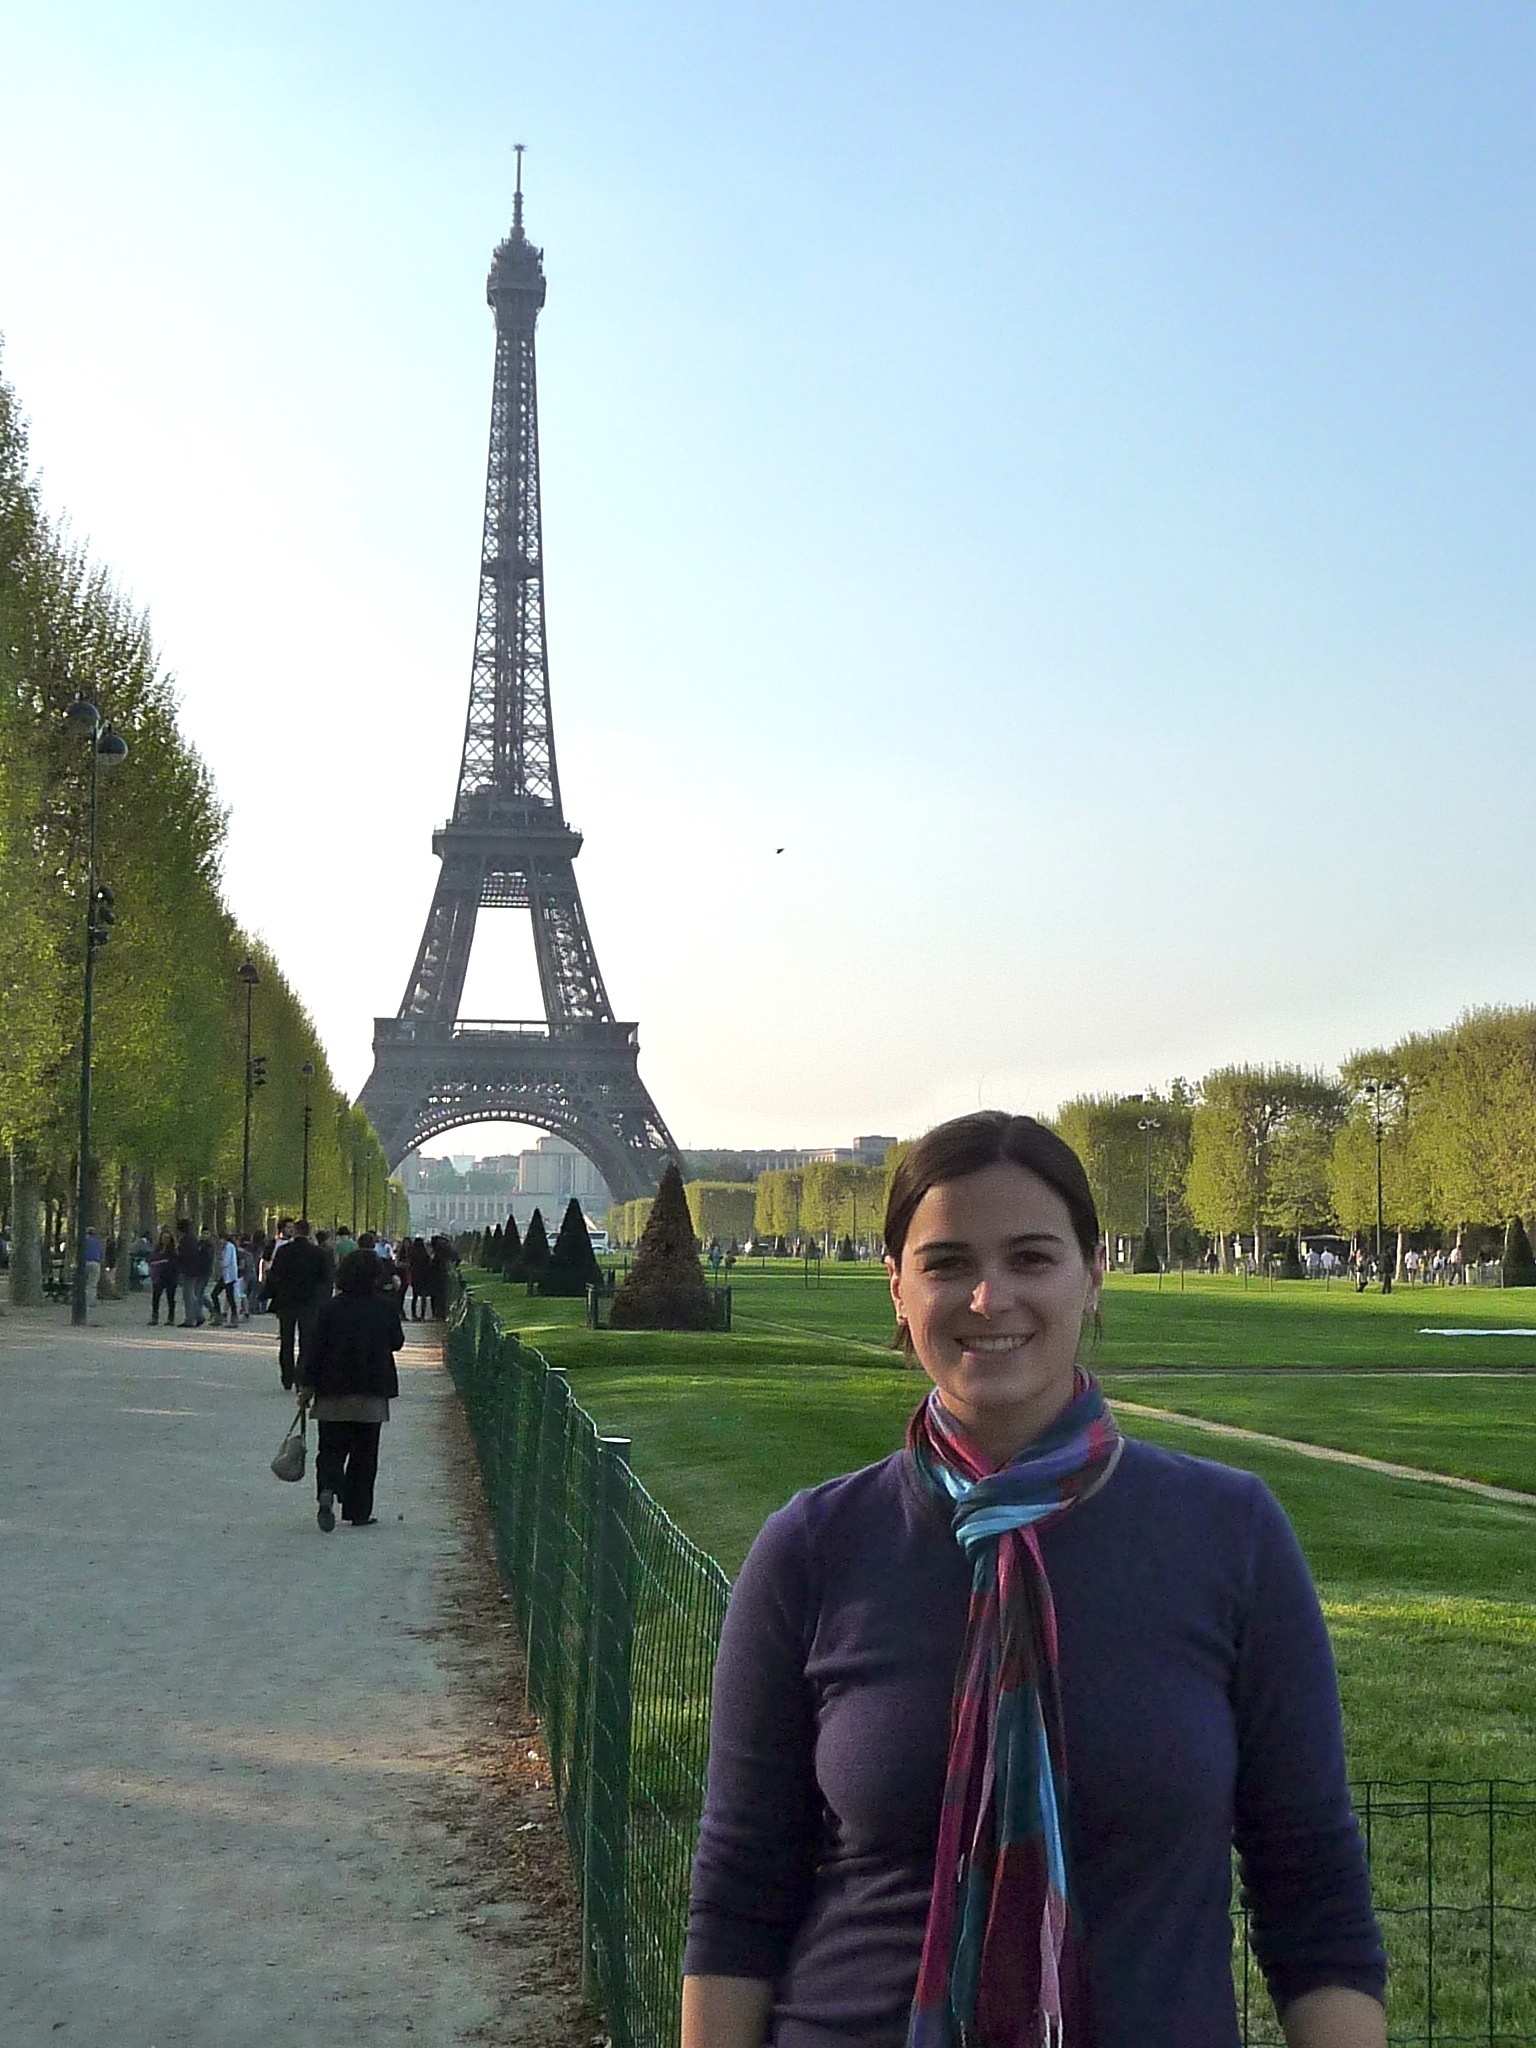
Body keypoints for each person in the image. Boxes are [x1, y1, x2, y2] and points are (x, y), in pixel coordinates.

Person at [683, 1112, 1386, 2048]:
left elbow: (1311, 1889)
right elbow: (741, 1889)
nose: (989, 1297)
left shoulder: (1232, 1534)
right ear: (895, 1288)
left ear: (1094, 1275)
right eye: (946, 1264)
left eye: (1031, 1258)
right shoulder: (811, 1550)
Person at [297, 1247, 404, 1531]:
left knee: (330, 1450)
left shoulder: (329, 1308)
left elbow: (314, 1350)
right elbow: (397, 1342)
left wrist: (306, 1385)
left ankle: (328, 1488)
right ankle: (358, 1510)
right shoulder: (385, 1308)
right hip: (371, 1390)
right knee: (364, 1457)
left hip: (332, 1390)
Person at [265, 1220, 329, 1392]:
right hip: (309, 1302)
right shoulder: (318, 1253)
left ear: (295, 1232)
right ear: (310, 1233)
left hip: (287, 1301)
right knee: (306, 1341)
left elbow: (274, 1274)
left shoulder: (284, 1251)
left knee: (287, 1340)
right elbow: (325, 1278)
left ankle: (287, 1375)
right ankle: (301, 1376)